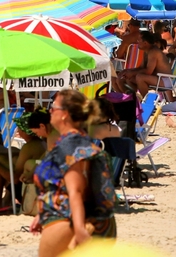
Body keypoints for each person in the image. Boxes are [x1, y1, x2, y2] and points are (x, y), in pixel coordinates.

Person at [31, 90, 116, 256]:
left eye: (53, 107)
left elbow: (76, 190)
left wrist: (79, 230)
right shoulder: (77, 141)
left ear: (65, 115)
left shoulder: (71, 145)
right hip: (78, 219)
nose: (50, 111)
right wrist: (42, 214)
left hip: (69, 221)